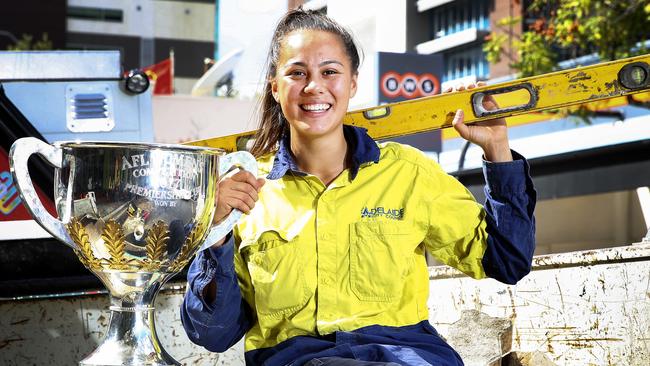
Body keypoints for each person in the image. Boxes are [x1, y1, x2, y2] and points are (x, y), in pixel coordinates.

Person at [181, 8, 536, 366]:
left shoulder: (408, 173)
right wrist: (217, 232)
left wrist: (496, 148)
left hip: (409, 355)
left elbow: (507, 261)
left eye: (330, 72)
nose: (314, 86)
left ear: (352, 83)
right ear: (275, 87)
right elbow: (214, 334)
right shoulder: (244, 192)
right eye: (297, 73)